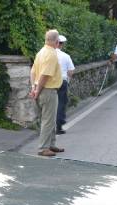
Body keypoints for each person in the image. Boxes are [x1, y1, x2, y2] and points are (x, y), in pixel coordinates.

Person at [29, 29, 64, 157]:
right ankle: (43, 148)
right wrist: (37, 91)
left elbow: (33, 71)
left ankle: (51, 144)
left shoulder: (41, 52)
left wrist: (34, 87)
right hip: (48, 90)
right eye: (58, 41)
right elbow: (44, 75)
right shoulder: (52, 54)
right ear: (56, 41)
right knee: (48, 120)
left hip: (40, 88)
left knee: (49, 118)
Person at [56, 35, 75, 135]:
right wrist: (68, 78)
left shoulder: (46, 54)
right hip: (62, 81)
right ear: (61, 44)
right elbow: (71, 71)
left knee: (50, 105)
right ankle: (58, 127)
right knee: (61, 103)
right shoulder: (65, 56)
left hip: (49, 83)